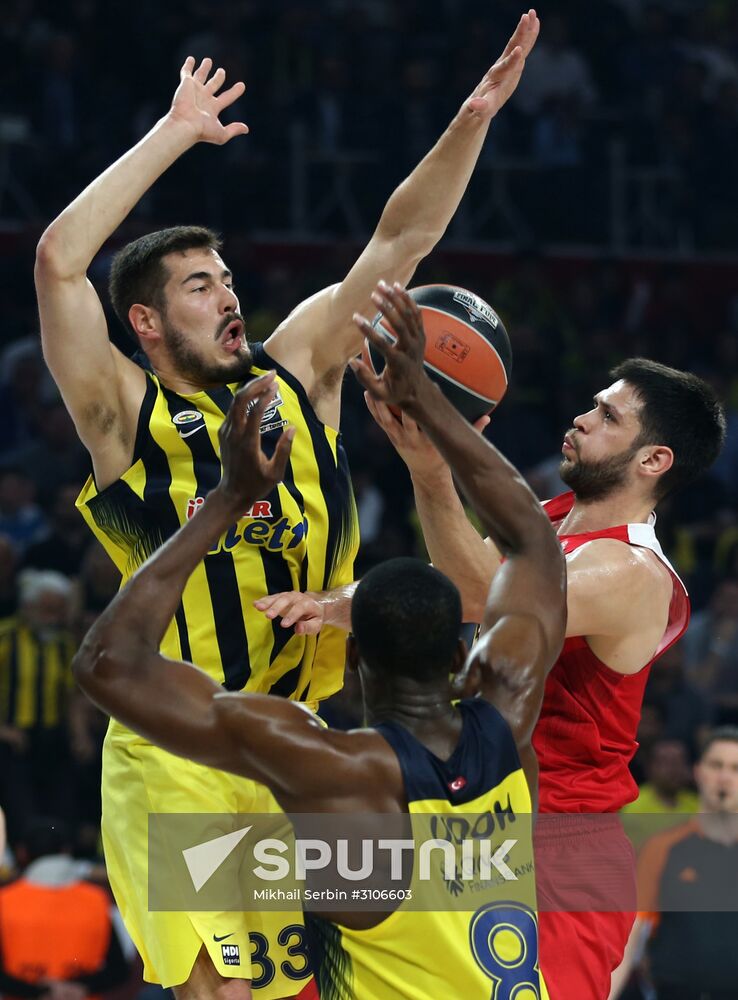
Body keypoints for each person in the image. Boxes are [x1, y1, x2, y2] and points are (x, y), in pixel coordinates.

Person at [33, 12, 541, 999]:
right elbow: (58, 259)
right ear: (144, 321)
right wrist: (176, 133)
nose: (226, 295)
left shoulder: (302, 364)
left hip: (302, 738)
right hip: (181, 739)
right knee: (215, 992)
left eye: (225, 277)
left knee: (315, 985)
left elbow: (403, 235)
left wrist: (472, 120)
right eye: (194, 286)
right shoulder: (123, 412)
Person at [73, 284, 566, 1000]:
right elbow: (532, 543)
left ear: (354, 655)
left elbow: (108, 665)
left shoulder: (332, 768)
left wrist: (227, 502)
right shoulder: (511, 718)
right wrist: (427, 404)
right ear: (464, 656)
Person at [259, 357, 726, 997]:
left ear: (654, 461)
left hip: (557, 848)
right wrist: (334, 605)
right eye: (593, 403)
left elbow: (483, 596)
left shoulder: (633, 573)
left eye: (608, 417)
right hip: (457, 812)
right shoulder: (550, 518)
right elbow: (451, 585)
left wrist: (430, 466)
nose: (581, 419)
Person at [609, 727, 738, 1000]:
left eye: (736, 768)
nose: (725, 777)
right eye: (716, 765)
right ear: (697, 771)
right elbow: (630, 937)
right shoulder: (662, 848)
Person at [0, 818, 130, 1000]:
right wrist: (80, 987)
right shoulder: (97, 899)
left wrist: (41, 992)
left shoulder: (4, 900)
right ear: (65, 851)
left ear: (22, 853)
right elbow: (119, 970)